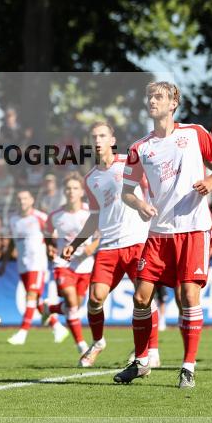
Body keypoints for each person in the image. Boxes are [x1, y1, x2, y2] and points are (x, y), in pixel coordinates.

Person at [114, 81, 212, 390]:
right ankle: (141, 361)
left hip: (193, 228)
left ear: (173, 103)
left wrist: (211, 180)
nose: (153, 101)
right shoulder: (140, 148)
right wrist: (140, 204)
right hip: (159, 232)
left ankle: (188, 366)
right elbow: (127, 192)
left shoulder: (194, 134)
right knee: (141, 297)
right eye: (150, 96)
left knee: (188, 296)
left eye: (159, 96)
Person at [64, 121, 156, 369]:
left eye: (102, 135)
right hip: (108, 245)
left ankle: (151, 350)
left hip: (137, 240)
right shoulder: (90, 178)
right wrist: (76, 243)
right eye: (93, 136)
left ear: (112, 140)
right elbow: (94, 215)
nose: (97, 140)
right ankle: (98, 342)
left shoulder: (130, 162)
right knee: (95, 299)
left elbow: (152, 189)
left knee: (144, 298)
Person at [43, 173, 99, 356]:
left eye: (75, 188)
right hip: (63, 263)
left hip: (85, 264)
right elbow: (47, 235)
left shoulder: (90, 212)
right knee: (72, 302)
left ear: (82, 191)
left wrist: (92, 246)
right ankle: (82, 346)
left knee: (75, 305)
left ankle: (49, 309)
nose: (71, 192)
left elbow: (100, 234)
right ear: (63, 191)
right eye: (68, 188)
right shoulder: (55, 216)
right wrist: (50, 249)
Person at [0, 189, 52, 345]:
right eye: (19, 198)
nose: (22, 201)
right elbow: (11, 242)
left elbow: (52, 235)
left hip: (38, 262)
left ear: (32, 200)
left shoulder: (40, 217)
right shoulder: (13, 219)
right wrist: (4, 262)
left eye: (25, 198)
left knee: (30, 296)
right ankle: (57, 327)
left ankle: (23, 332)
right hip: (22, 264)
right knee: (36, 300)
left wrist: (52, 249)